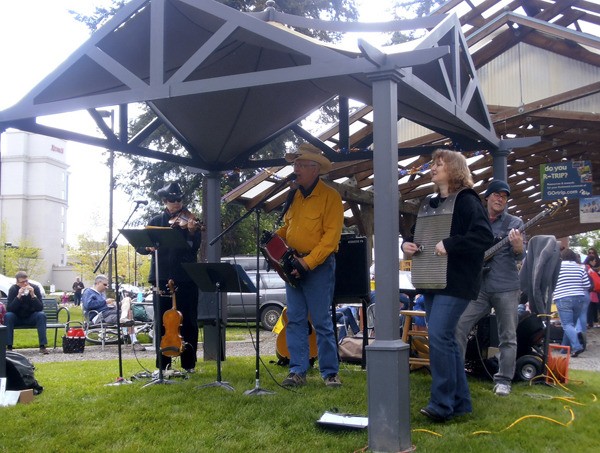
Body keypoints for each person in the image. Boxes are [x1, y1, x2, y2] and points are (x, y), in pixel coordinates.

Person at [402, 149, 493, 422]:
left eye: (439, 164)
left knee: (440, 335)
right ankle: (461, 402)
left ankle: (441, 404)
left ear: (454, 169)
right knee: (447, 340)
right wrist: (408, 245)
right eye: (432, 163)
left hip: (457, 280)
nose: (433, 168)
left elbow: (483, 236)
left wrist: (450, 244)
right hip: (431, 279)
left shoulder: (466, 201)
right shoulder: (429, 203)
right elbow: (415, 235)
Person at [276, 143, 344, 387]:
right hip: (294, 264)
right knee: (294, 319)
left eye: (300, 164)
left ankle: (330, 373)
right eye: (295, 164)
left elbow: (331, 239)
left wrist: (307, 263)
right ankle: (297, 371)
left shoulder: (331, 197)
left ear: (314, 168)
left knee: (321, 320)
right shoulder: (293, 195)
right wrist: (274, 238)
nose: (295, 168)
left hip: (319, 266)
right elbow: (289, 229)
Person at [455, 180, 525, 397]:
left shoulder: (515, 223)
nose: (500, 199)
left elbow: (520, 256)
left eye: (504, 196)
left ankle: (504, 380)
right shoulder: (476, 221)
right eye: (496, 194)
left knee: (508, 335)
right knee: (458, 326)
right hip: (479, 287)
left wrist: (518, 246)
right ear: (486, 198)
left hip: (506, 287)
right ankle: (457, 374)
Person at [137, 182, 201, 373]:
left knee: (188, 321)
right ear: (165, 201)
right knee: (162, 322)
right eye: (172, 200)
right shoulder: (157, 220)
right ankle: (163, 365)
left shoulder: (190, 220)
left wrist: (191, 232)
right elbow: (140, 246)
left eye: (179, 199)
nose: (176, 203)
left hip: (186, 277)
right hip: (161, 276)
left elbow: (193, 248)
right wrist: (147, 247)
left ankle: (188, 364)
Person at [553, 248, 590, 357]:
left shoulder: (557, 268)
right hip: (579, 298)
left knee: (567, 325)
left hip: (563, 297)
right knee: (570, 325)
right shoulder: (580, 268)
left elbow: (551, 283)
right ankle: (565, 349)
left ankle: (577, 347)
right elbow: (587, 285)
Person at [4, 271, 50, 354]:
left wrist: (33, 295)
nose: (25, 284)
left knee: (41, 315)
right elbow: (10, 309)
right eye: (22, 282)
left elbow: (40, 308)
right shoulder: (13, 289)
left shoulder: (35, 288)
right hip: (17, 318)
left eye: (26, 281)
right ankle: (9, 346)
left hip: (31, 317)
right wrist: (18, 296)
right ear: (17, 283)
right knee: (8, 316)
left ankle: (42, 346)